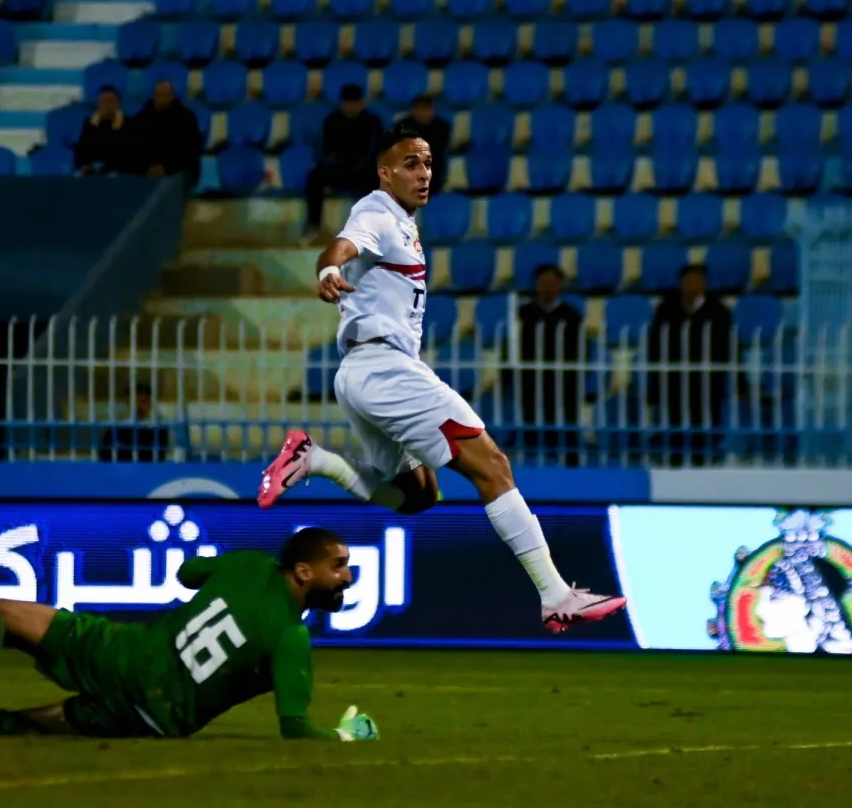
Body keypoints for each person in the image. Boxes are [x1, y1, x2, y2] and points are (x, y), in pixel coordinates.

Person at [258, 126, 626, 634]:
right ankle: (555, 594)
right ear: (385, 173)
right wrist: (326, 272)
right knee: (492, 466)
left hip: (360, 376)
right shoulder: (377, 211)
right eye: (410, 163)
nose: (423, 172)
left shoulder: (403, 224)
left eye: (428, 162)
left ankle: (315, 459)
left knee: (418, 497)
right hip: (386, 371)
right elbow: (338, 248)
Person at [0, 528, 380, 742]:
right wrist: (350, 733)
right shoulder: (292, 639)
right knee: (27, 726)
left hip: (124, 655)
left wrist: (223, 568)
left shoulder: (249, 565)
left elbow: (186, 575)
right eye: (339, 565)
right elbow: (295, 728)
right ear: (303, 573)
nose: (348, 576)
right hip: (155, 716)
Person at [646, 264, 732, 467]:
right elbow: (655, 346)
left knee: (704, 426)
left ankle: (703, 464)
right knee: (673, 425)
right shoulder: (666, 309)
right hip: (673, 381)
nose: (692, 285)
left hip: (707, 381)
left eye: (697, 281)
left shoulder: (718, 311)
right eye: (688, 281)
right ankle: (674, 463)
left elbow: (728, 347)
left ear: (705, 284)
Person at [516, 264, 584, 466]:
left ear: (561, 286)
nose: (547, 288)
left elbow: (579, 349)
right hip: (531, 379)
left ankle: (571, 465)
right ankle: (530, 463)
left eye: (552, 283)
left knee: (566, 424)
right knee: (531, 423)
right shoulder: (524, 313)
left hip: (564, 380)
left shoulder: (571, 314)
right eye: (543, 283)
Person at [303, 83, 383, 241]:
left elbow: (377, 150)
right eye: (348, 103)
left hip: (364, 171)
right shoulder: (332, 121)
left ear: (361, 103)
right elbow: (326, 151)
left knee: (380, 180)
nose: (351, 107)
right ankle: (314, 225)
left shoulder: (372, 122)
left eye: (355, 103)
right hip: (340, 170)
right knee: (315, 177)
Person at [133, 80, 204, 185]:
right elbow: (136, 148)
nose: (162, 99)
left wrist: (166, 168)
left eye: (166, 95)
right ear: (153, 96)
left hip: (179, 171)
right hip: (147, 171)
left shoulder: (186, 119)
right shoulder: (141, 119)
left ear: (172, 96)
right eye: (159, 95)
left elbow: (190, 151)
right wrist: (149, 167)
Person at [98, 382, 170, 463]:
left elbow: (157, 456)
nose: (138, 406)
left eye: (143, 402)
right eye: (134, 402)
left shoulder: (157, 427)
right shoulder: (116, 427)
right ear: (127, 403)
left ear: (150, 404)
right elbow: (105, 454)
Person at [394, 95, 450, 196]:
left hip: (433, 173)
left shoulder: (442, 127)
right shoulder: (402, 126)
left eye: (427, 110)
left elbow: (438, 154)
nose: (424, 114)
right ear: (413, 110)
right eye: (420, 110)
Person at [74, 85, 136, 175]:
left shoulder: (129, 124)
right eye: (103, 102)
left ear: (118, 104)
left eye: (111, 101)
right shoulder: (90, 124)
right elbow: (82, 153)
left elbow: (130, 156)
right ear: (98, 105)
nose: (107, 106)